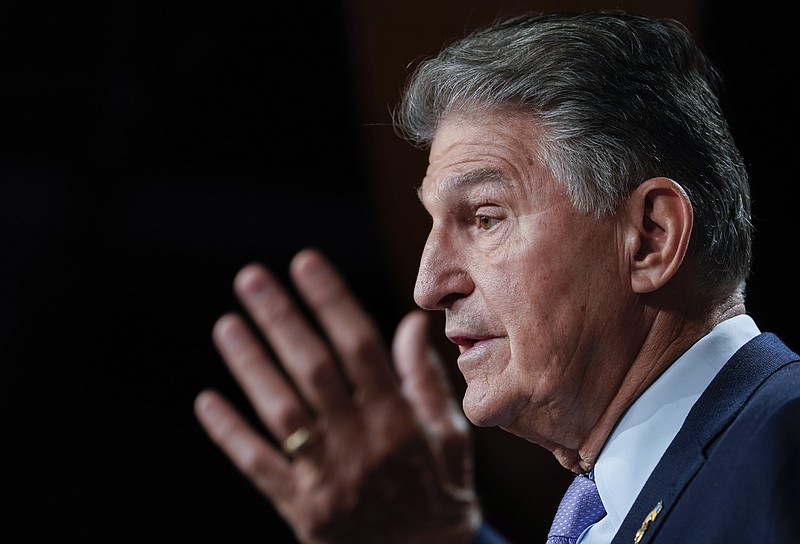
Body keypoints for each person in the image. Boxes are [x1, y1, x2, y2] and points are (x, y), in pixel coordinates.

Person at [194, 11, 800, 543]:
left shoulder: (783, 444)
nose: (429, 285)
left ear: (649, 238)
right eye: (433, 225)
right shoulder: (623, 503)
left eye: (484, 218)